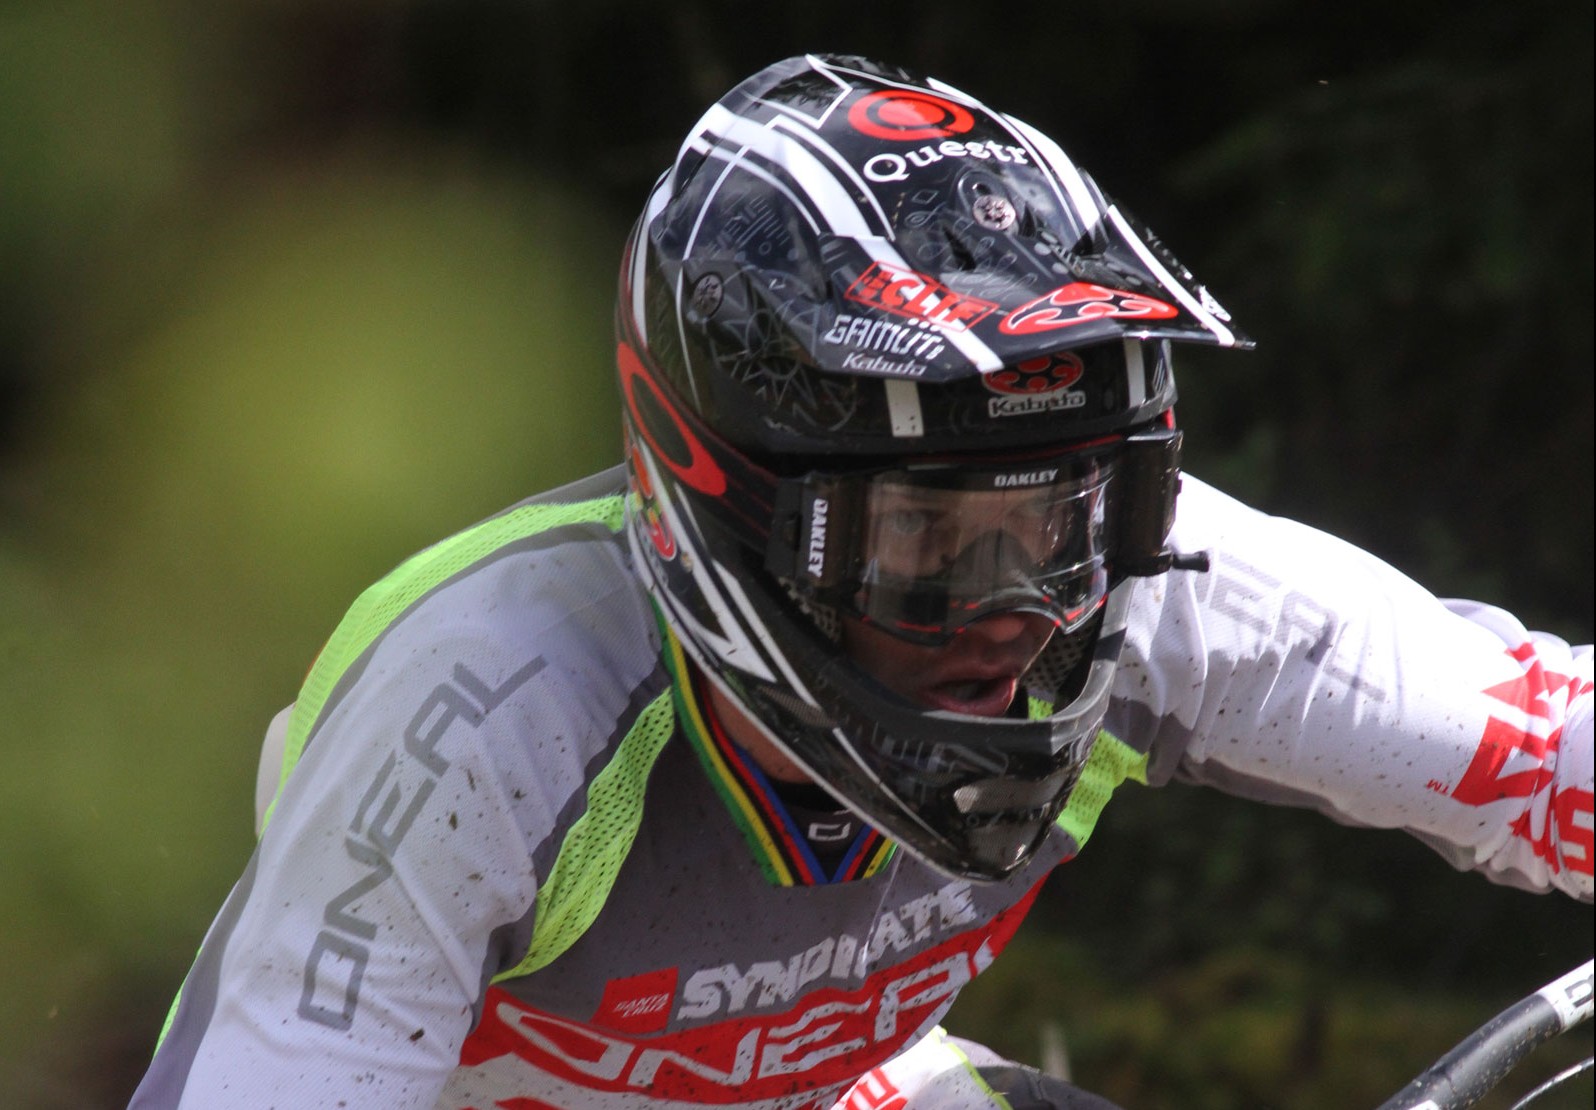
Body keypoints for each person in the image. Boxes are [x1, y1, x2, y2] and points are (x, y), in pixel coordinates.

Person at [130, 54, 1592, 1110]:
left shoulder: (1146, 587)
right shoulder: (486, 710)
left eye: (1068, 516)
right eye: (929, 544)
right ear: (734, 511)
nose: (1020, 609)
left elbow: (1545, 747)